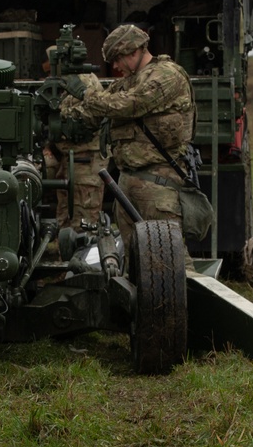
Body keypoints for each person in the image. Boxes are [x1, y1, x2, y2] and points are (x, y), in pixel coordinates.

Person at [63, 24, 195, 266]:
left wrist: (86, 94)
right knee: (133, 261)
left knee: (169, 261)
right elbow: (104, 107)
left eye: (117, 59)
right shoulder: (128, 82)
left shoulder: (167, 75)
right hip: (127, 183)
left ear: (133, 51)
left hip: (157, 185)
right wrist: (71, 115)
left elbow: (130, 104)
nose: (114, 67)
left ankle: (188, 302)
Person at [42, 45, 108, 231]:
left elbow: (92, 116)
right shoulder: (61, 80)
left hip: (86, 157)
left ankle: (84, 257)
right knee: (65, 214)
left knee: (84, 218)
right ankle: (66, 255)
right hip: (67, 155)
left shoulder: (83, 82)